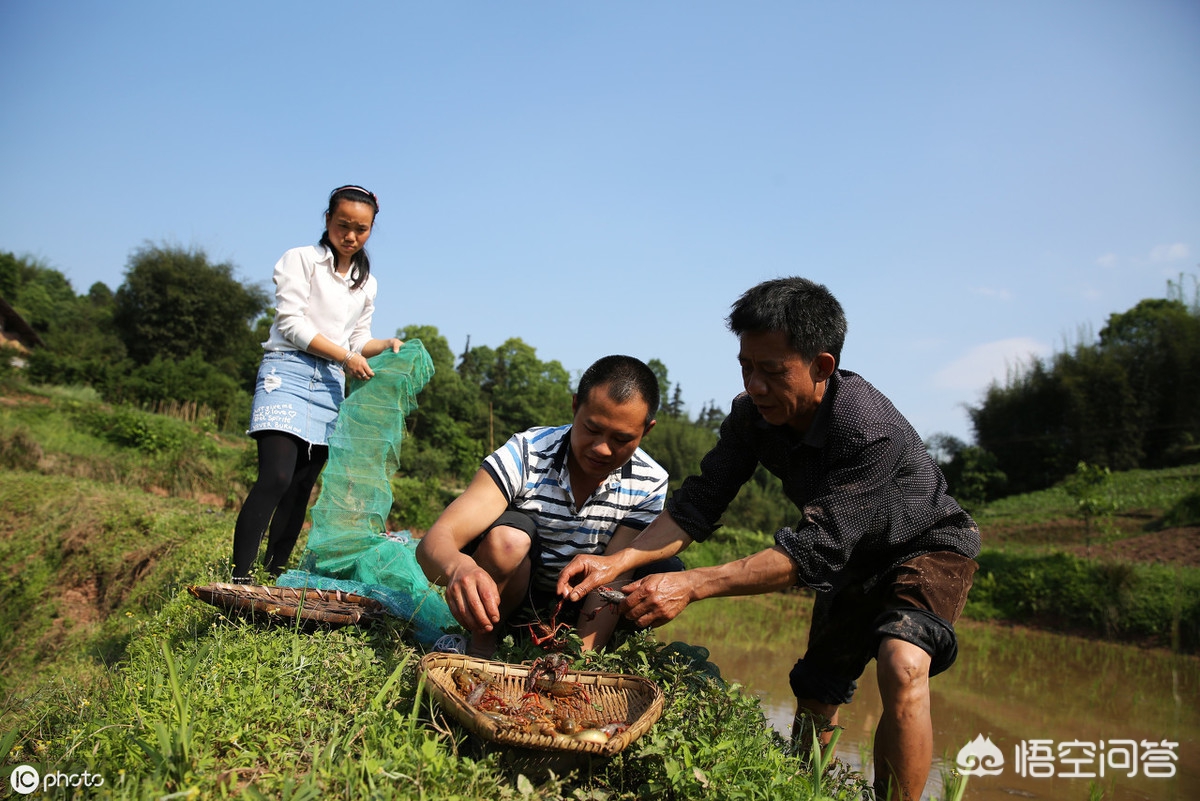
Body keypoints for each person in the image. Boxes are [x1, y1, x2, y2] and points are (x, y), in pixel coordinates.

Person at [558, 278, 980, 801]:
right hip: (850, 556)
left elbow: (811, 551)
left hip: (924, 545)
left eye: (772, 371)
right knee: (816, 691)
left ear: (822, 366)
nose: (754, 385)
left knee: (903, 663)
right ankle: (805, 790)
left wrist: (690, 583)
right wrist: (615, 563)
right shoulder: (752, 418)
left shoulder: (869, 428)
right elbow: (697, 506)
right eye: (746, 366)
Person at [415, 355, 680, 657]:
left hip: (580, 606)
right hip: (511, 597)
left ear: (646, 431)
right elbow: (434, 542)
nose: (602, 448)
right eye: (592, 429)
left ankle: (578, 648)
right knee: (509, 540)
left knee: (662, 567)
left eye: (621, 439)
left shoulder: (649, 482)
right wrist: (458, 567)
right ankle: (481, 644)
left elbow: (613, 576)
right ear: (575, 406)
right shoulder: (528, 453)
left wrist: (579, 660)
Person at [230, 185, 403, 582]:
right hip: (287, 371)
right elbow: (292, 324)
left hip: (328, 385)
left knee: (302, 485)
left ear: (371, 230)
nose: (351, 236)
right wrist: (346, 356)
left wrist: (387, 345)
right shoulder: (301, 260)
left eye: (361, 229)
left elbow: (358, 339)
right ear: (327, 220)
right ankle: (238, 577)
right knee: (276, 476)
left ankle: (273, 578)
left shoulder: (366, 283)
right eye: (343, 225)